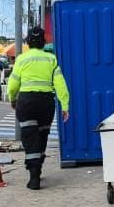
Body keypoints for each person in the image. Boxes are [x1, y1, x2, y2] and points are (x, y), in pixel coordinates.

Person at [7, 26, 70, 190]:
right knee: (42, 136)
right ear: (44, 42)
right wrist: (65, 105)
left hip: (26, 102)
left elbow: (13, 84)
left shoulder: (22, 59)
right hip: (46, 103)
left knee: (29, 137)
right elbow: (60, 84)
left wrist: (12, 98)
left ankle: (34, 176)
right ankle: (38, 169)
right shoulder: (51, 59)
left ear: (28, 42)